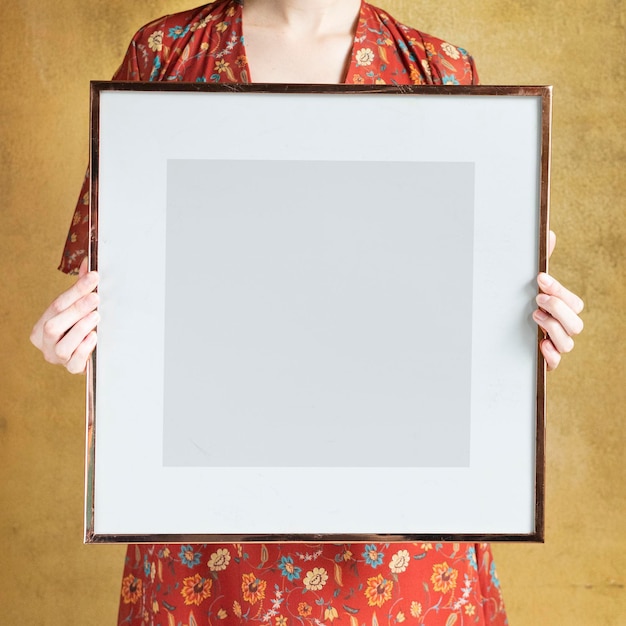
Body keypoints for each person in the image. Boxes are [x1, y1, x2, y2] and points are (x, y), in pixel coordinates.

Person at [30, 1, 585, 624]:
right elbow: (118, 287)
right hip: (206, 537)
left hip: (405, 550)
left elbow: (449, 313)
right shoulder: (166, 55)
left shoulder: (440, 71)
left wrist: (519, 339)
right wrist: (77, 337)